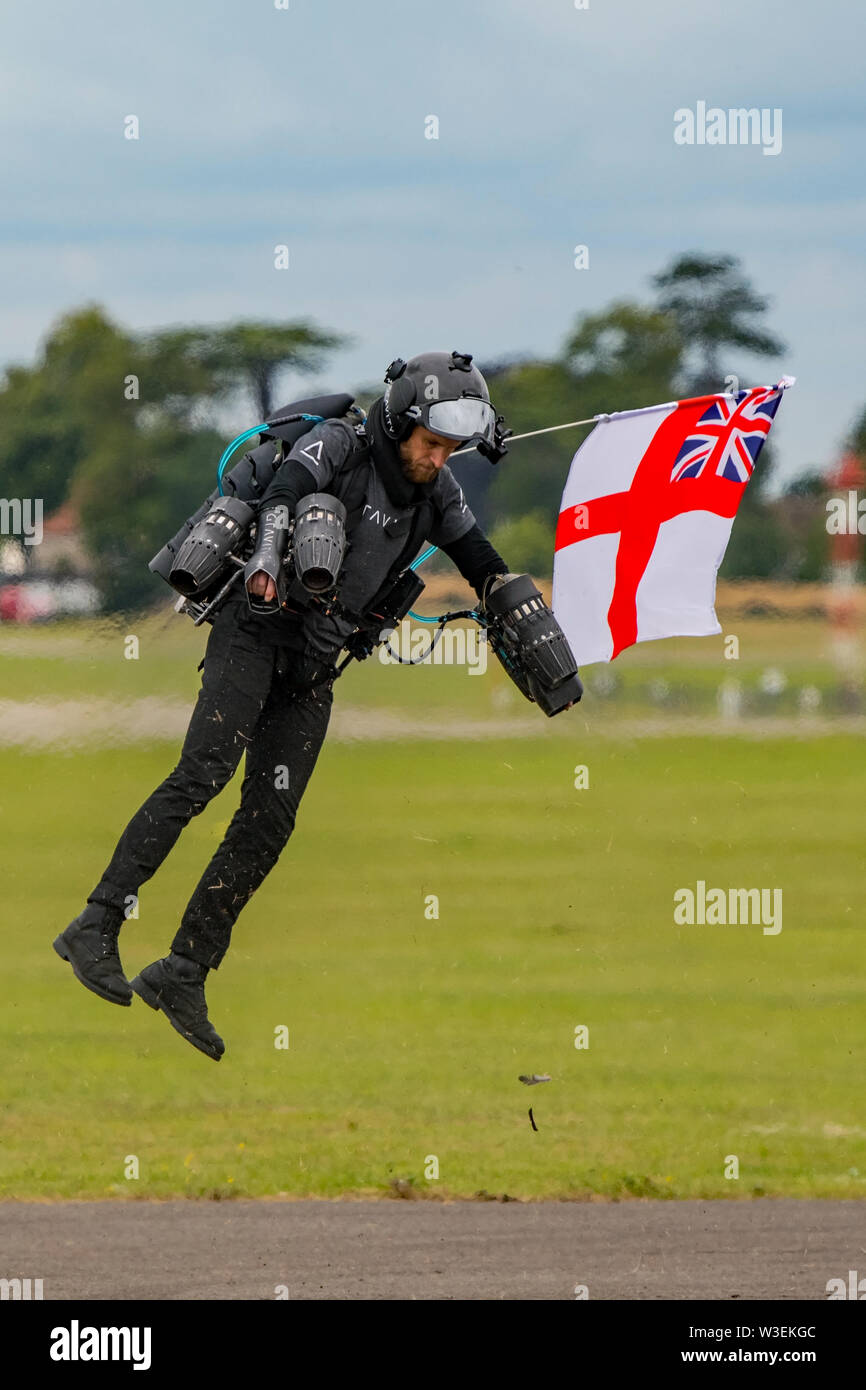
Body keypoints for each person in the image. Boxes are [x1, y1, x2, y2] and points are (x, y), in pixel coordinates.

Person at [53, 351, 517, 1061]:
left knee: (270, 820)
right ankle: (97, 922)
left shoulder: (437, 494)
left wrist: (517, 608)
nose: (438, 457)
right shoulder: (339, 445)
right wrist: (269, 563)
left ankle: (183, 970)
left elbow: (481, 563)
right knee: (202, 774)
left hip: (311, 665)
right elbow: (282, 496)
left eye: (451, 447)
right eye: (431, 442)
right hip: (255, 631)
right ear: (399, 426)